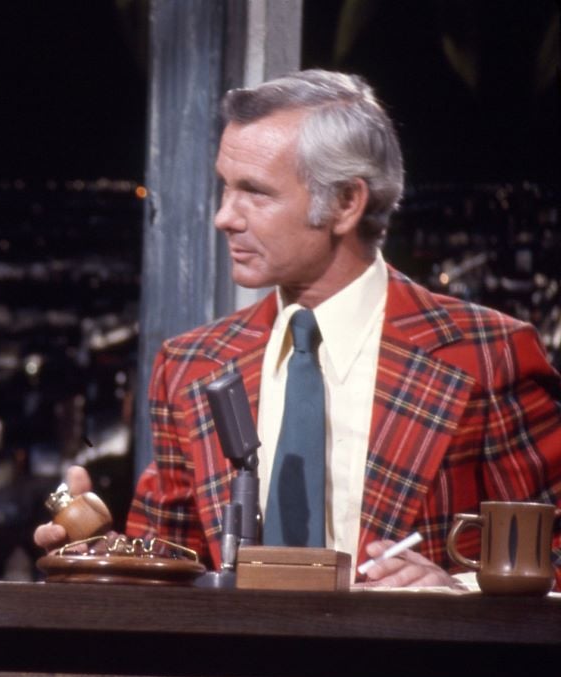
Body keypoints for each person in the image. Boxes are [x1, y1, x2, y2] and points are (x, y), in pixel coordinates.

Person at [36, 69, 561, 589]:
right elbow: (168, 575)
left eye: (256, 193)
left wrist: (456, 594)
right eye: (225, 187)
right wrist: (93, 562)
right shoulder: (191, 364)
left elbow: (553, 554)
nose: (224, 217)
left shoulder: (488, 355)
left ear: (345, 203)